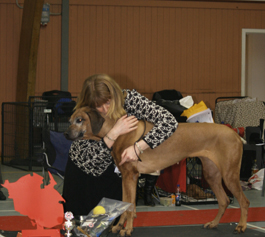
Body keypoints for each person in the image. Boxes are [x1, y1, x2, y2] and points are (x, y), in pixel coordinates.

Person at [62, 73, 178, 215]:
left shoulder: (130, 100)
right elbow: (91, 162)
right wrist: (114, 132)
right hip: (85, 178)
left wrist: (138, 148)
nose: (105, 109)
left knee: (111, 226)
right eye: (98, 106)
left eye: (108, 102)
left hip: (116, 174)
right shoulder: (85, 111)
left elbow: (169, 122)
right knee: (81, 225)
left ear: (115, 95)